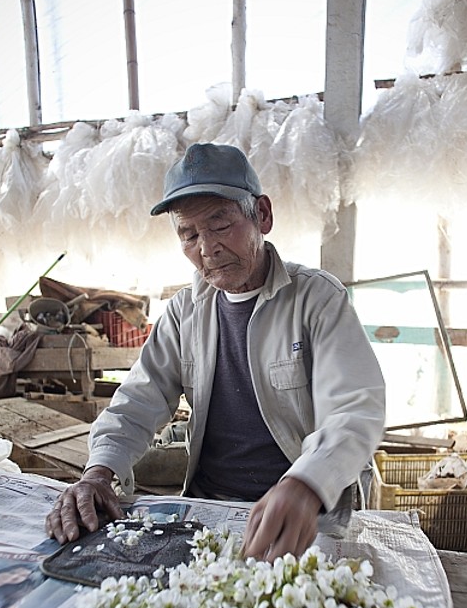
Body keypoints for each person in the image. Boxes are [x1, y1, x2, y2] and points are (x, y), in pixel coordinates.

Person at [45, 143, 386, 561]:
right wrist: (98, 473)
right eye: (189, 235)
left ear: (262, 215)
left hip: (301, 515)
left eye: (220, 225)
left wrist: (305, 484)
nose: (206, 248)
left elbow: (355, 407)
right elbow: (137, 401)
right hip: (209, 508)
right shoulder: (184, 312)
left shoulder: (317, 299)